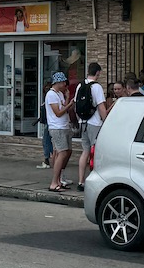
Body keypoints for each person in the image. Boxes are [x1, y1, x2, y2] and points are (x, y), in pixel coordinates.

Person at [73, 63, 107, 191]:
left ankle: (81, 181)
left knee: (85, 151)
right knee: (96, 152)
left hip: (83, 123)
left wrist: (79, 120)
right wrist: (106, 122)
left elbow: (76, 106)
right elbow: (101, 107)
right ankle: (95, 180)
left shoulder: (80, 85)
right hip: (95, 123)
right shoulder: (96, 87)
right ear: (97, 72)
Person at [44, 72, 74, 192]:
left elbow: (63, 108)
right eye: (63, 83)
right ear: (57, 82)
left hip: (64, 125)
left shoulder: (60, 94)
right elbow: (58, 112)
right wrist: (70, 104)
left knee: (66, 151)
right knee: (62, 153)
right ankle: (54, 182)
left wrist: (67, 99)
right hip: (57, 127)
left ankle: (60, 178)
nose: (64, 85)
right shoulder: (51, 95)